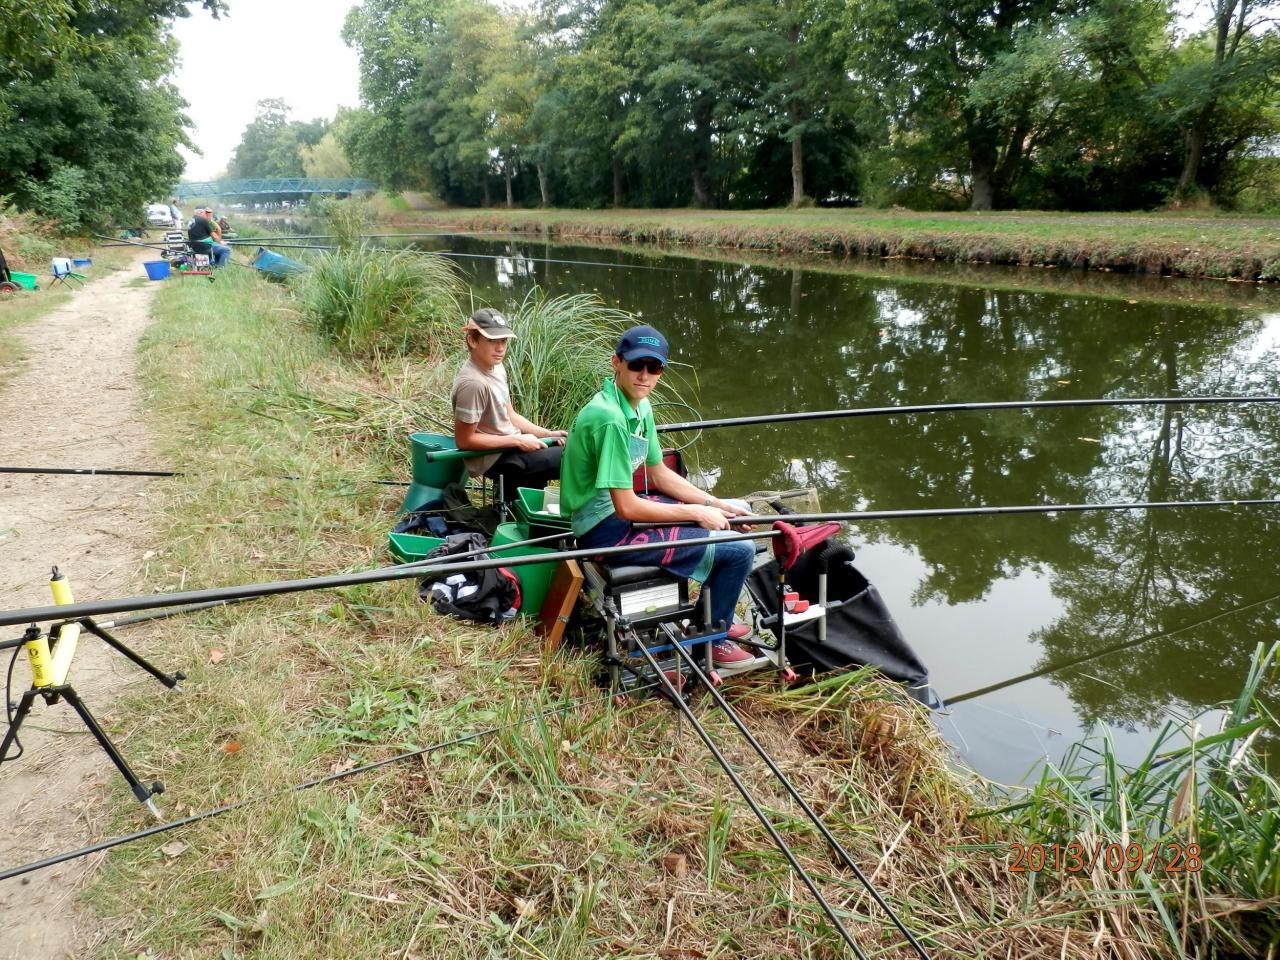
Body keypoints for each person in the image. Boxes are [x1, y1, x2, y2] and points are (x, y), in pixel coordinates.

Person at [560, 325, 767, 674]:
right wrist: (694, 513)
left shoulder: (639, 406)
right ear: (616, 363)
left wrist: (714, 503)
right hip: (605, 529)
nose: (645, 375)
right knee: (740, 549)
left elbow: (658, 474)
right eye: (636, 365)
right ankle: (712, 640)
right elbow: (626, 507)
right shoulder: (610, 418)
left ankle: (714, 616)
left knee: (740, 511)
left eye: (654, 368)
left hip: (620, 514)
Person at [451, 308, 566, 502]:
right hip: (492, 458)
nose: (500, 348)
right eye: (492, 340)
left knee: (571, 445)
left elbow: (510, 415)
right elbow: (464, 441)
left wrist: (546, 433)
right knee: (574, 457)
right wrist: (518, 441)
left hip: (510, 444)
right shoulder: (473, 384)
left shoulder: (497, 367)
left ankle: (528, 511)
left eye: (503, 340)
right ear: (472, 341)